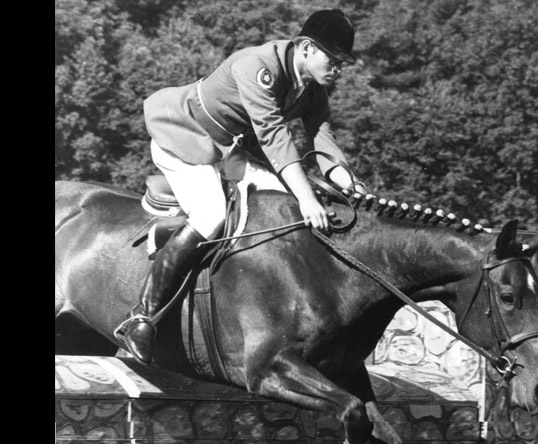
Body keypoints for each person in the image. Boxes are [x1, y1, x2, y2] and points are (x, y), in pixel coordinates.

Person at [116, 8, 369, 365]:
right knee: (212, 214)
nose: (339, 69)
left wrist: (353, 186)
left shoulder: (312, 92)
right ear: (308, 48)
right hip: (185, 137)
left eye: (344, 62)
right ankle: (142, 317)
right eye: (335, 59)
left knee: (286, 208)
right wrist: (308, 197)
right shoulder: (258, 66)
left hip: (230, 151)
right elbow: (274, 137)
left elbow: (323, 143)